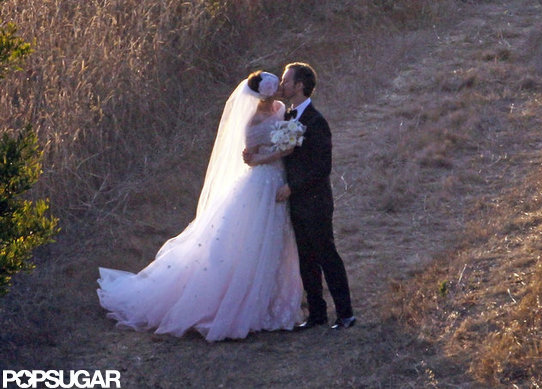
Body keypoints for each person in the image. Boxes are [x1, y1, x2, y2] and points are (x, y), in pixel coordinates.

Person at [97, 71, 303, 342]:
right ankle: (244, 304)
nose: (279, 90)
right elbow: (251, 157)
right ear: (264, 93)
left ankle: (277, 299)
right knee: (252, 241)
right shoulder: (253, 120)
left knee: (277, 240)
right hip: (261, 182)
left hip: (278, 180)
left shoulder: (281, 110)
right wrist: (279, 153)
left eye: (279, 85)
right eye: (274, 87)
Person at [278, 62, 355, 330]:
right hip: (297, 204)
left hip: (316, 202)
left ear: (299, 85)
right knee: (306, 260)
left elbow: (322, 167)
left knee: (326, 255)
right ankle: (317, 314)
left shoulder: (316, 121)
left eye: (286, 81)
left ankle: (345, 314)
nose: (282, 85)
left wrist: (293, 187)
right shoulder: (287, 118)